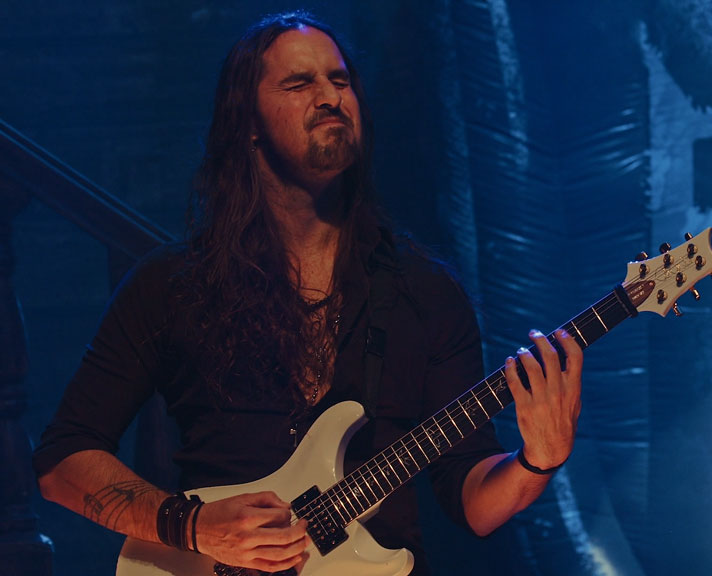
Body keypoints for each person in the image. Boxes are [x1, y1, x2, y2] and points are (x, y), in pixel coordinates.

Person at [32, 11, 582, 575]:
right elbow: (61, 462)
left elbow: (474, 503)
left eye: (340, 80)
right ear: (247, 122)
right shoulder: (173, 286)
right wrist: (192, 526)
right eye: (299, 84)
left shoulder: (425, 292)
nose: (329, 97)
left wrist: (536, 463)